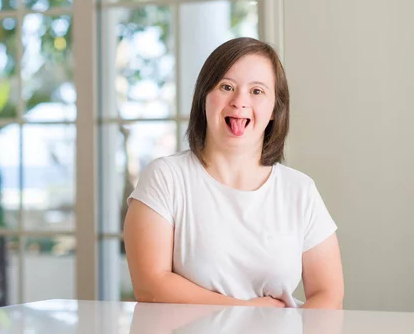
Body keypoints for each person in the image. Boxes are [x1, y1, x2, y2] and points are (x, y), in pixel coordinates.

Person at [123, 37, 344, 309]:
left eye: (257, 91)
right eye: (226, 87)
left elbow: (328, 293)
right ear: (204, 97)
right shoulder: (165, 178)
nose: (239, 101)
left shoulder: (300, 189)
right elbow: (150, 285)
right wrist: (247, 312)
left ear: (275, 108)